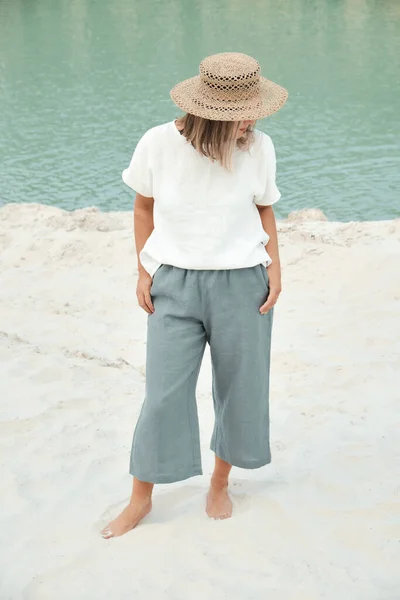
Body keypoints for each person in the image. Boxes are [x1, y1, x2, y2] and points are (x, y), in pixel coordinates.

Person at [101, 52, 288, 538]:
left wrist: (277, 268)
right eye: (240, 111)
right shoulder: (157, 144)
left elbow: (265, 209)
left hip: (244, 280)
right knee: (162, 395)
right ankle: (140, 498)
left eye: (253, 109)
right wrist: (143, 270)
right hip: (174, 284)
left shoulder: (259, 147)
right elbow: (144, 207)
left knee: (240, 390)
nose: (251, 119)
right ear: (207, 111)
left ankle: (220, 483)